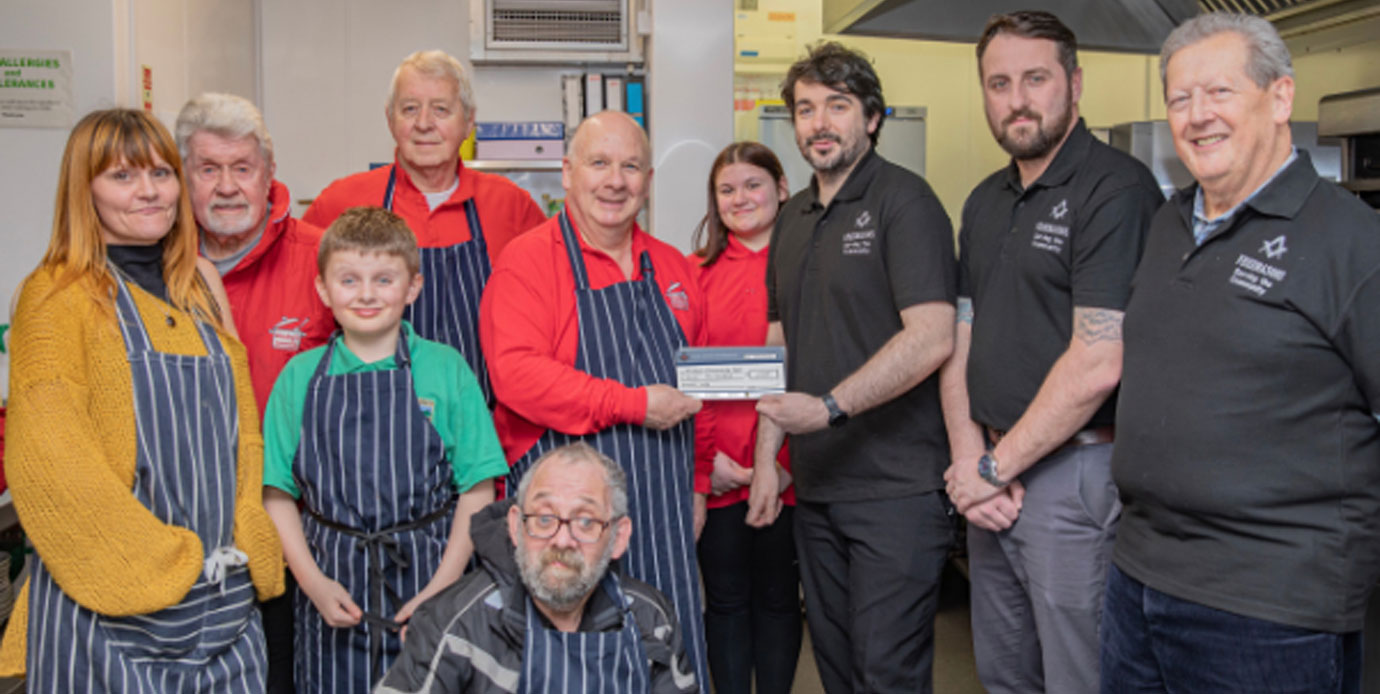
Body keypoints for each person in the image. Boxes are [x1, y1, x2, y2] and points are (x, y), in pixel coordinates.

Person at [1101, 12, 1380, 693]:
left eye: (1219, 92)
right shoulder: (1170, 222)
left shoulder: (1353, 241)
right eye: (1179, 99)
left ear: (1280, 98)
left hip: (1269, 606)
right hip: (1137, 577)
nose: (1197, 116)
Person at [0, 108, 284, 691]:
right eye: (122, 177)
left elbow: (243, 431)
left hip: (220, 601)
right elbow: (52, 466)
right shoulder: (56, 297)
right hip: (110, 609)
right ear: (85, 191)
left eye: (160, 172)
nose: (150, 192)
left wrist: (245, 534)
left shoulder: (200, 283)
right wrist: (165, 565)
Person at [938, 11, 1163, 694]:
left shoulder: (1115, 190)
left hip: (1075, 475)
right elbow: (960, 338)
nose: (1017, 100)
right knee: (1006, 676)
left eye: (1035, 79)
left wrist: (991, 467)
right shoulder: (984, 201)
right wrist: (966, 459)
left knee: (1080, 678)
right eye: (999, 83)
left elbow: (1099, 359)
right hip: (991, 476)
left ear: (1075, 83)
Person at [747, 42, 958, 693]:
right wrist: (765, 461)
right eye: (805, 108)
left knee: (886, 672)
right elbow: (778, 347)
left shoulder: (906, 202)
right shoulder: (792, 218)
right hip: (818, 490)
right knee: (838, 671)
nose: (819, 123)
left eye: (837, 105)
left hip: (896, 489)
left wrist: (830, 407)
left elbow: (932, 337)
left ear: (871, 116)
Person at [479, 110, 709, 687]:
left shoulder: (675, 269)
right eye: (599, 163)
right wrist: (632, 404)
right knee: (571, 666)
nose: (615, 181)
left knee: (667, 656)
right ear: (567, 173)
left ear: (648, 180)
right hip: (567, 526)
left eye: (630, 166)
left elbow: (699, 390)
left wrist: (699, 484)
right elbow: (517, 376)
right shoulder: (528, 263)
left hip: (662, 514)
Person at [261, 207, 506, 693]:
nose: (367, 294)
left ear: (412, 287)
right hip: (332, 589)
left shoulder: (446, 368)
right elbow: (276, 495)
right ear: (323, 289)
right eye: (349, 280)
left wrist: (442, 588)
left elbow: (478, 488)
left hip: (430, 579)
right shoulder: (298, 377)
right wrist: (312, 583)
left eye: (384, 279)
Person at [176, 91, 335, 693]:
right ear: (183, 176)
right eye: (208, 169)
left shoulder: (322, 258)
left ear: (268, 172)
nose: (226, 187)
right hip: (187, 535)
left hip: (301, 540)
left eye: (242, 169)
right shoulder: (151, 269)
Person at [303, 50, 546, 404]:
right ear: (390, 119)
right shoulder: (341, 202)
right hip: (370, 417)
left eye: (441, 109)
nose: (424, 123)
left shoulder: (511, 206)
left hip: (483, 421)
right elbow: (306, 314)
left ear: (469, 121)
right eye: (410, 109)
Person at [376, 442, 699, 693]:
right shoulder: (453, 624)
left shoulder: (651, 619)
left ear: (618, 537)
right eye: (544, 519)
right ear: (516, 525)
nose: (562, 540)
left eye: (585, 521)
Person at [688, 141, 801, 694]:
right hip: (721, 473)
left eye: (753, 184)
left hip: (789, 475)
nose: (741, 198)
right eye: (727, 189)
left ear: (782, 189)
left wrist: (783, 468)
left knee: (781, 602)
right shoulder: (692, 277)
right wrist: (712, 467)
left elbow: (819, 376)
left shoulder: (809, 270)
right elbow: (689, 382)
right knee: (727, 604)